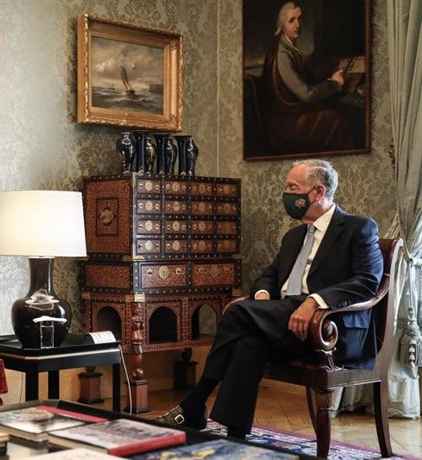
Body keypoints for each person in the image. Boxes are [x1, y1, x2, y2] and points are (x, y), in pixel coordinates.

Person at [157, 159, 383, 439]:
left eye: (293, 187)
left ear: (317, 192)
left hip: (329, 330)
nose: (286, 194)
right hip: (283, 322)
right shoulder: (294, 236)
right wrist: (262, 296)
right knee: (248, 344)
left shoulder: (358, 229)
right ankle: (236, 437)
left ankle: (195, 403)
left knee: (236, 313)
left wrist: (314, 301)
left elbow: (367, 282)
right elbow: (269, 277)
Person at [261, 2, 354, 153]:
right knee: (337, 119)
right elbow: (307, 94)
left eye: (300, 19)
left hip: (291, 114)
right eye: (291, 20)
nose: (297, 24)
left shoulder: (288, 46)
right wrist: (334, 84)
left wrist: (328, 77)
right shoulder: (283, 54)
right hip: (286, 123)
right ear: (282, 25)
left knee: (333, 109)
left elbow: (303, 78)